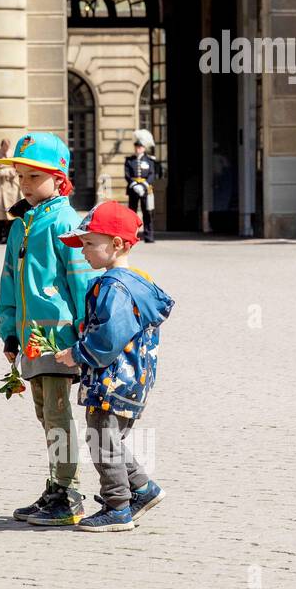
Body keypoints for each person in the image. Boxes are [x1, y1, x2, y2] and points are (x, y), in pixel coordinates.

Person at [0, 132, 99, 527]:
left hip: (60, 338)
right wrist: (9, 331)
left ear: (59, 179)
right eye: (21, 175)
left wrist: (88, 335)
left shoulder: (65, 222)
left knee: (56, 414)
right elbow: (9, 281)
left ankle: (68, 494)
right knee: (44, 412)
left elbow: (82, 282)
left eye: (32, 176)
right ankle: (57, 486)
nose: (23, 182)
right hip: (31, 339)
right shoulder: (21, 223)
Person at [54, 201, 173, 532]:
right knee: (111, 439)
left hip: (114, 380)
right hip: (134, 380)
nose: (84, 252)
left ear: (118, 244)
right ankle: (144, 489)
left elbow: (108, 337)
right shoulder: (135, 282)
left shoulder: (113, 286)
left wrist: (78, 353)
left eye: (90, 244)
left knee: (101, 438)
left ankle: (117, 505)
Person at [124, 130, 158, 243]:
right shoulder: (129, 160)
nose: (138, 148)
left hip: (145, 189)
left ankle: (149, 236)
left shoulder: (149, 161)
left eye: (140, 147)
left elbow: (152, 174)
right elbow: (127, 174)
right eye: (136, 146)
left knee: (147, 213)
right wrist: (134, 185)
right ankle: (131, 235)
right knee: (132, 213)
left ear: (144, 148)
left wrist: (143, 185)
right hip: (133, 189)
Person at [0, 138, 20, 243]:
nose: (6, 149)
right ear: (1, 146)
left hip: (12, 187)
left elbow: (17, 170)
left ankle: (10, 235)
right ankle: (1, 235)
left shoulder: (14, 155)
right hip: (0, 187)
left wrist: (3, 169)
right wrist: (8, 171)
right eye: (4, 146)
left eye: (8, 146)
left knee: (12, 212)